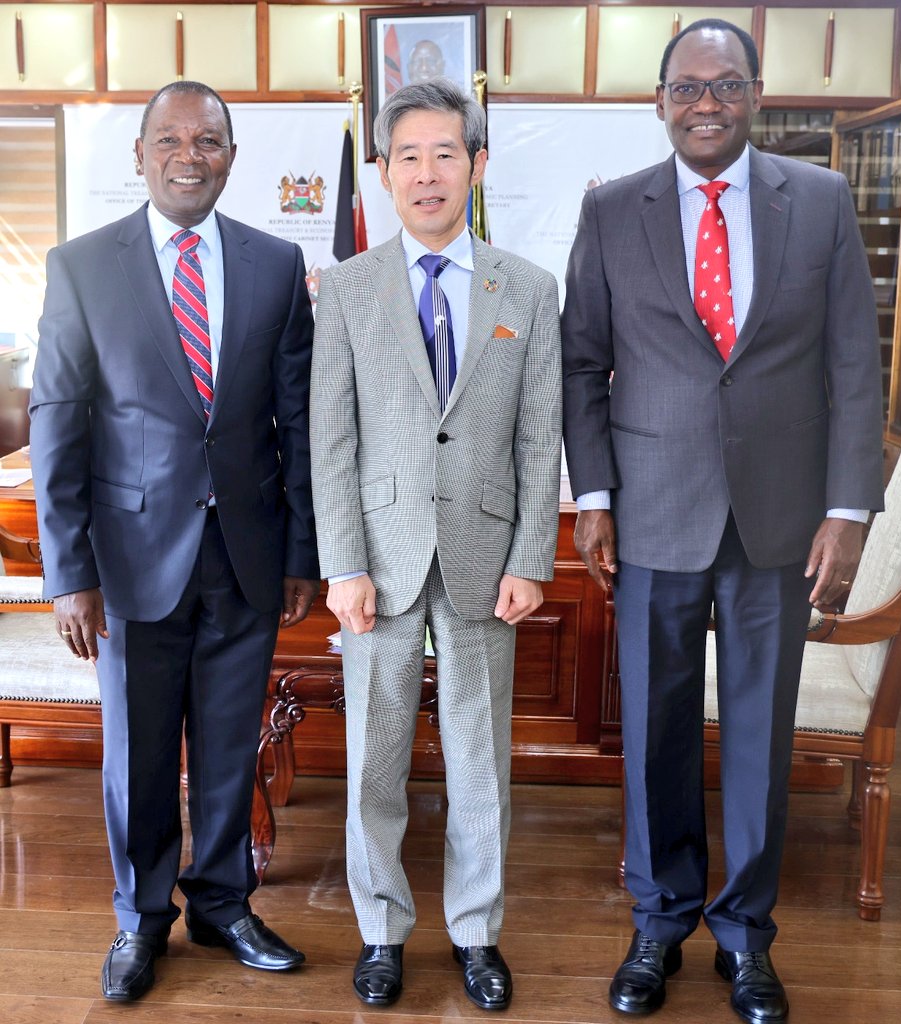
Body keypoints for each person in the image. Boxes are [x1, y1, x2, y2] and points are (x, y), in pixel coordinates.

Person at [561, 19, 883, 1024]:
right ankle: (657, 922)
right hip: (651, 512)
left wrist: (845, 509)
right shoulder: (611, 211)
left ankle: (745, 936)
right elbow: (580, 364)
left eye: (726, 85)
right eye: (687, 87)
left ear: (755, 95)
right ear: (659, 101)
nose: (706, 102)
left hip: (777, 522)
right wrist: (596, 496)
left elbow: (849, 364)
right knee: (655, 734)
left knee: (755, 735)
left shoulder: (820, 202)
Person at [29, 81, 320, 1002]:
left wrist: (302, 554)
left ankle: (223, 903)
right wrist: (68, 574)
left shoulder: (276, 263)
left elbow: (298, 422)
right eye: (169, 139)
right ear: (141, 155)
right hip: (126, 562)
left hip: (246, 553)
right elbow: (56, 421)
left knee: (229, 746)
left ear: (230, 157)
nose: (188, 155)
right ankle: (140, 918)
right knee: (140, 753)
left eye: (208, 140)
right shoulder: (82, 267)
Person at [310, 77, 561, 1011]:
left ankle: (475, 932)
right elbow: (330, 435)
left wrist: (532, 556)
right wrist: (343, 562)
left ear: (476, 165)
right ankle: (380, 930)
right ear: (382, 172)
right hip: (375, 557)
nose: (426, 174)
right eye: (407, 157)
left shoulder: (528, 290)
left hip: (484, 558)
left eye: (444, 154)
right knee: (373, 758)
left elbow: (541, 436)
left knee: (477, 758)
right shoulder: (344, 289)